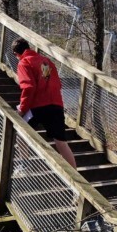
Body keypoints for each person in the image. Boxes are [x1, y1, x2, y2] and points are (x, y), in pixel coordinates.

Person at [12, 38, 77, 168]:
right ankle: (76, 179)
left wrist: (22, 109)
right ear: (28, 47)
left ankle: (25, 166)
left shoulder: (24, 62)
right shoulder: (45, 61)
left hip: (39, 107)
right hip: (56, 105)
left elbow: (29, 87)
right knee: (61, 142)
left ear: (16, 54)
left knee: (20, 132)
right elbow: (52, 82)